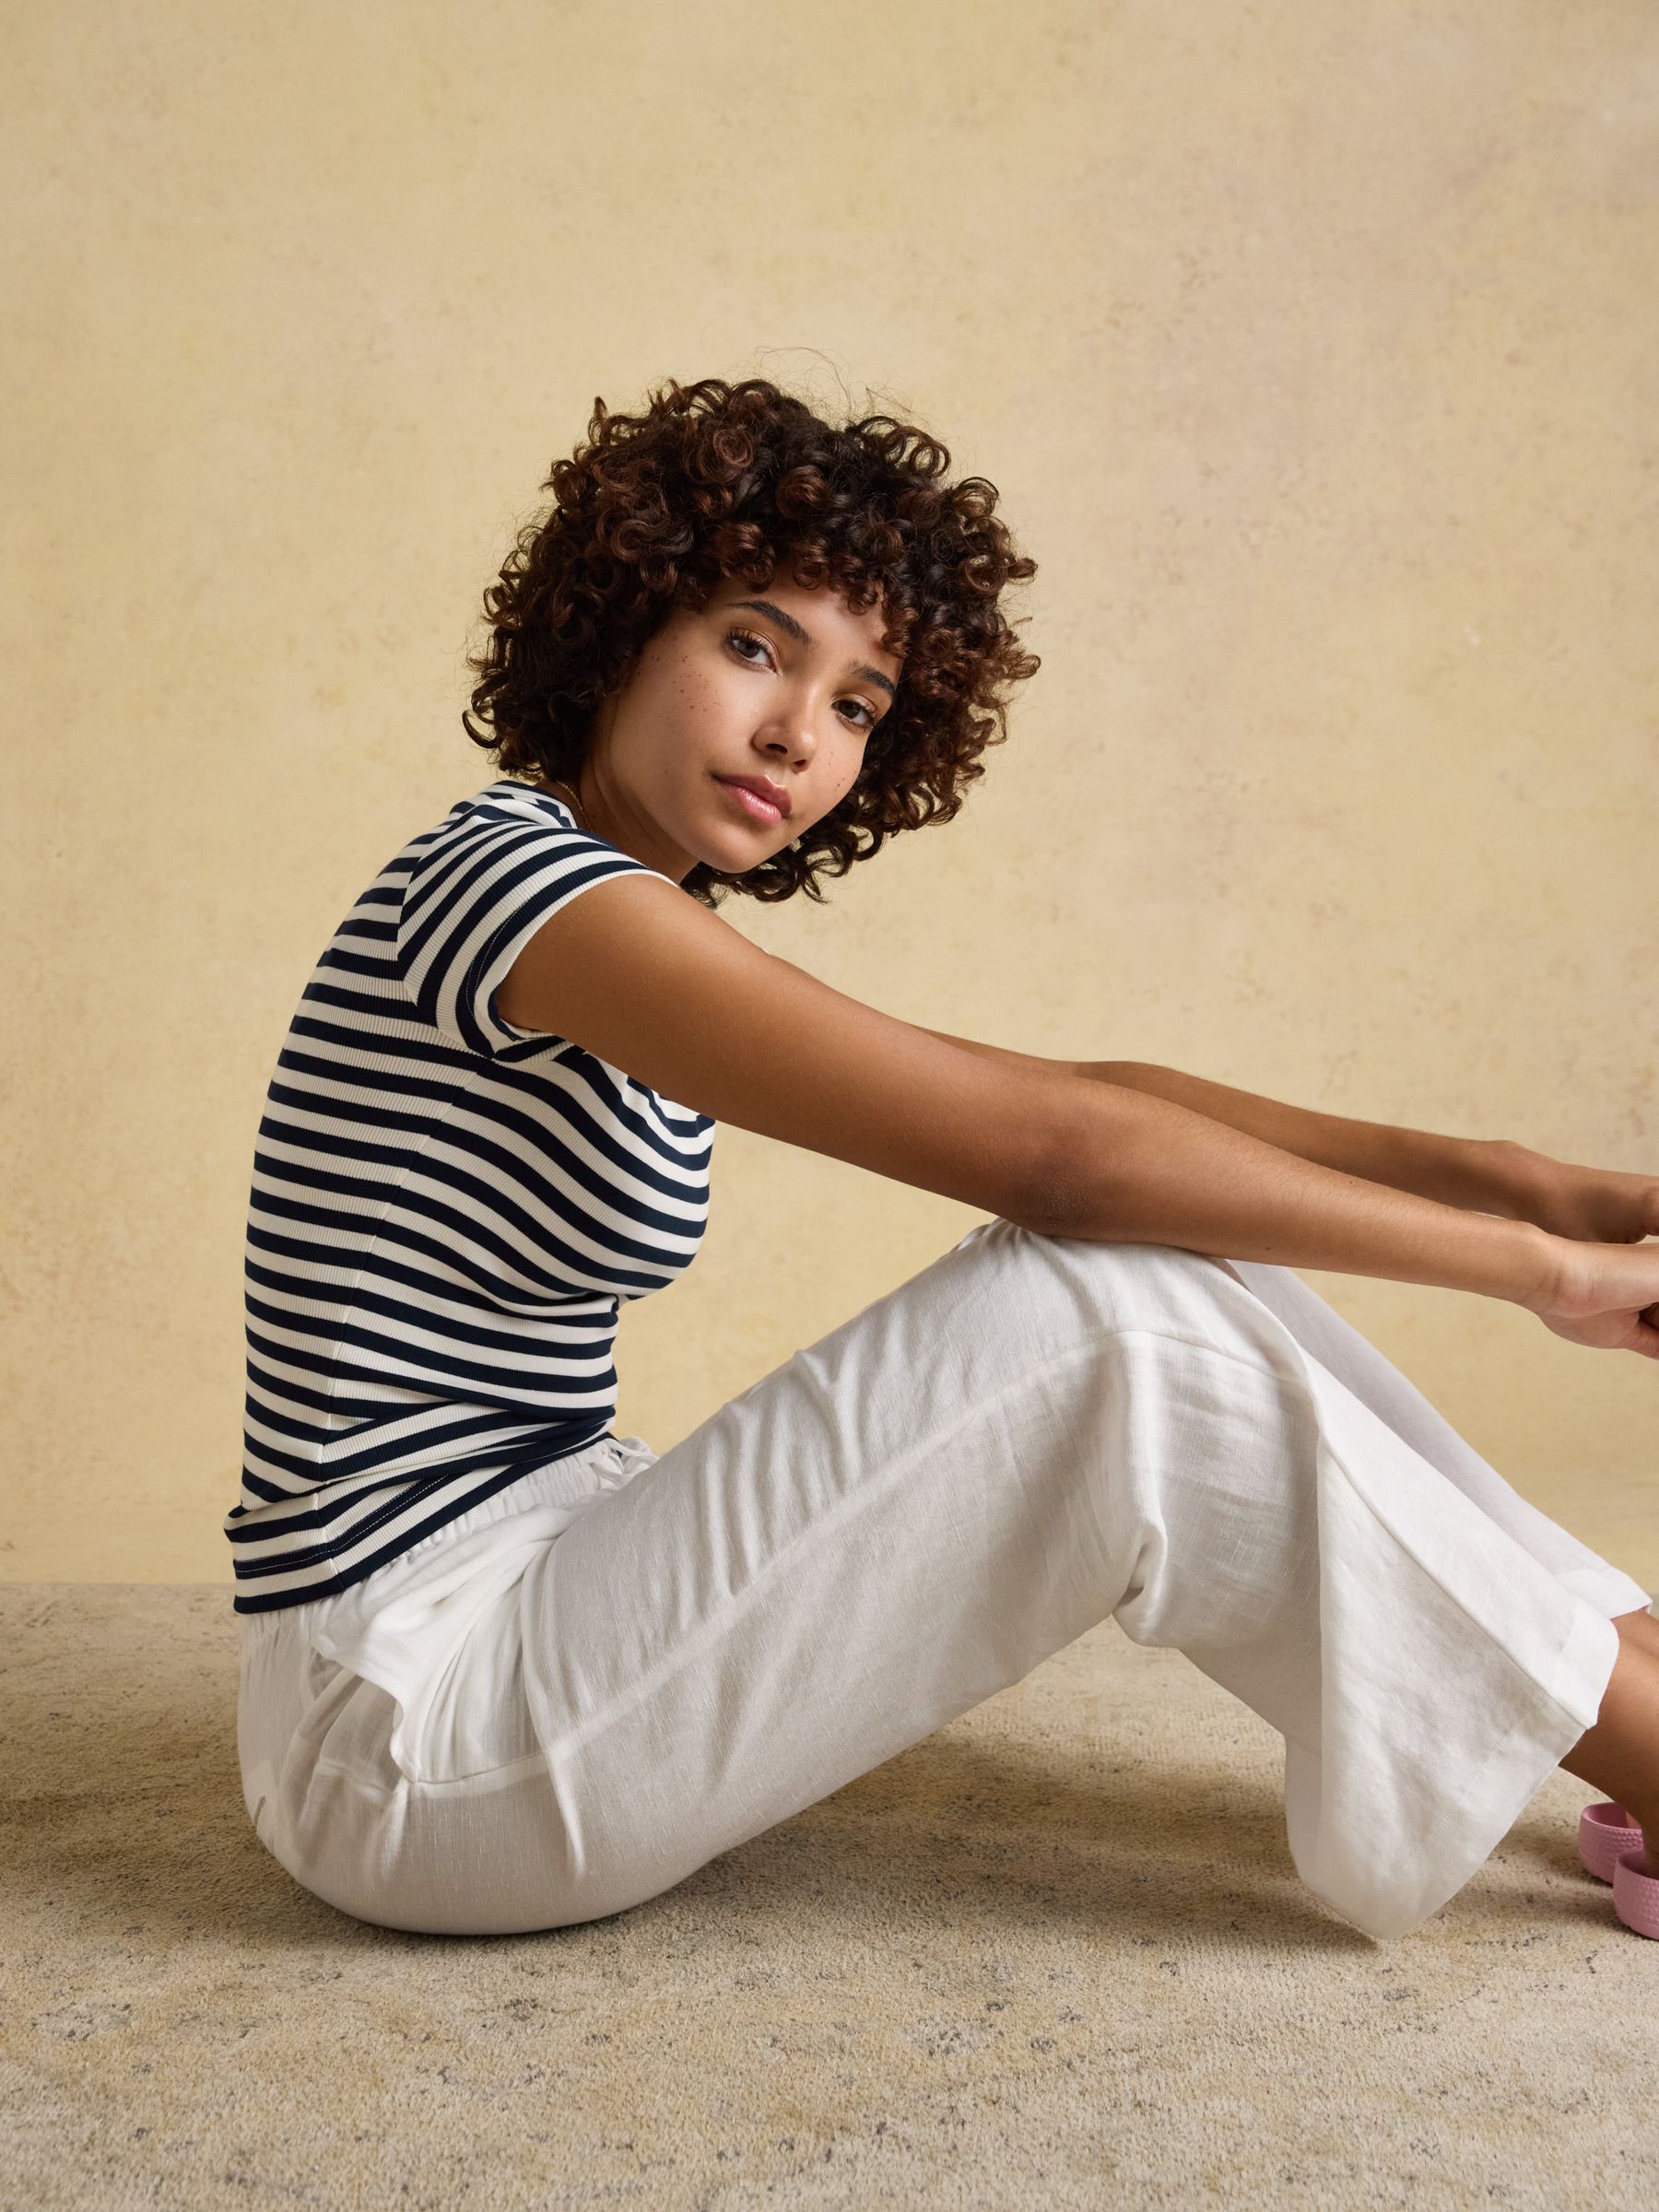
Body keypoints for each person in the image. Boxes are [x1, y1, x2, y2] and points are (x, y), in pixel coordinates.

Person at [229, 373, 1659, 1943]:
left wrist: (1530, 1185)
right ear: (620, 622)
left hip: (529, 1576)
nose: (799, 733)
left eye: (857, 705)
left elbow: (1084, 1099)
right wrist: (1544, 1272)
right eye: (755, 646)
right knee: (1107, 1318)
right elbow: (1058, 1155)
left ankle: (1635, 1666)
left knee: (1160, 1258)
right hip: (401, 1727)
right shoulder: (518, 891)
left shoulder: (615, 906)